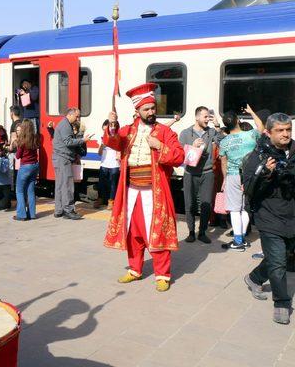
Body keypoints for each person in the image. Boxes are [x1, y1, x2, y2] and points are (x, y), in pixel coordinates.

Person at [103, 83, 185, 292]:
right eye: (146, 109)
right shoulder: (127, 131)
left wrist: (160, 146)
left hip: (154, 192)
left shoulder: (165, 132)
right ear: (137, 111)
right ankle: (134, 269)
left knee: (157, 232)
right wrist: (112, 126)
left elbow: (179, 157)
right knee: (132, 232)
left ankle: (162, 274)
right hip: (130, 190)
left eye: (152, 108)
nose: (151, 112)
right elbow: (112, 142)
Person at [242, 113, 295, 325]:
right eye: (280, 130)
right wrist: (263, 174)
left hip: (291, 214)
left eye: (288, 130)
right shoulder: (258, 156)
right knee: (278, 262)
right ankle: (281, 303)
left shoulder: (294, 152)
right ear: (268, 132)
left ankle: (254, 278)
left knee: (282, 255)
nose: (285, 134)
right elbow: (250, 191)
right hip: (268, 215)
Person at [219, 105, 264, 250]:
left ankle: (237, 241)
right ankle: (242, 238)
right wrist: (252, 112)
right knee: (245, 208)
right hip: (250, 176)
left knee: (234, 209)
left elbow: (223, 162)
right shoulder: (250, 135)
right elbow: (261, 127)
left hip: (233, 176)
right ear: (238, 120)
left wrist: (225, 179)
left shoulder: (224, 142)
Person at [178, 107, 222, 244]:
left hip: (207, 172)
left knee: (206, 204)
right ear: (197, 117)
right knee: (189, 203)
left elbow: (222, 140)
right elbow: (179, 153)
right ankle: (191, 232)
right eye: (205, 117)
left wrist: (217, 125)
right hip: (190, 173)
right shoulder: (185, 133)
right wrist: (192, 145)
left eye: (208, 117)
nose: (207, 119)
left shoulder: (211, 131)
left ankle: (202, 232)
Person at [52, 108, 91, 220]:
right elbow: (68, 142)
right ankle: (68, 210)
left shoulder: (64, 124)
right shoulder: (65, 125)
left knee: (60, 185)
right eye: (77, 116)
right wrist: (83, 140)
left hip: (59, 158)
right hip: (63, 159)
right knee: (67, 185)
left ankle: (58, 210)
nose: (78, 119)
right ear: (71, 114)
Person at [15, 119, 40, 221]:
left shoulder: (22, 140)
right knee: (31, 190)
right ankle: (32, 214)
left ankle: (21, 215)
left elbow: (18, 156)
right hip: (34, 166)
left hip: (25, 166)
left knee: (19, 191)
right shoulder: (35, 138)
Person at [96, 120, 120, 210]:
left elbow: (120, 149)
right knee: (101, 183)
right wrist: (102, 146)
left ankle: (111, 201)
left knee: (113, 184)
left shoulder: (117, 137)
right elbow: (99, 153)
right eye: (103, 129)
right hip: (104, 163)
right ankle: (100, 199)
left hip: (115, 164)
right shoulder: (101, 138)